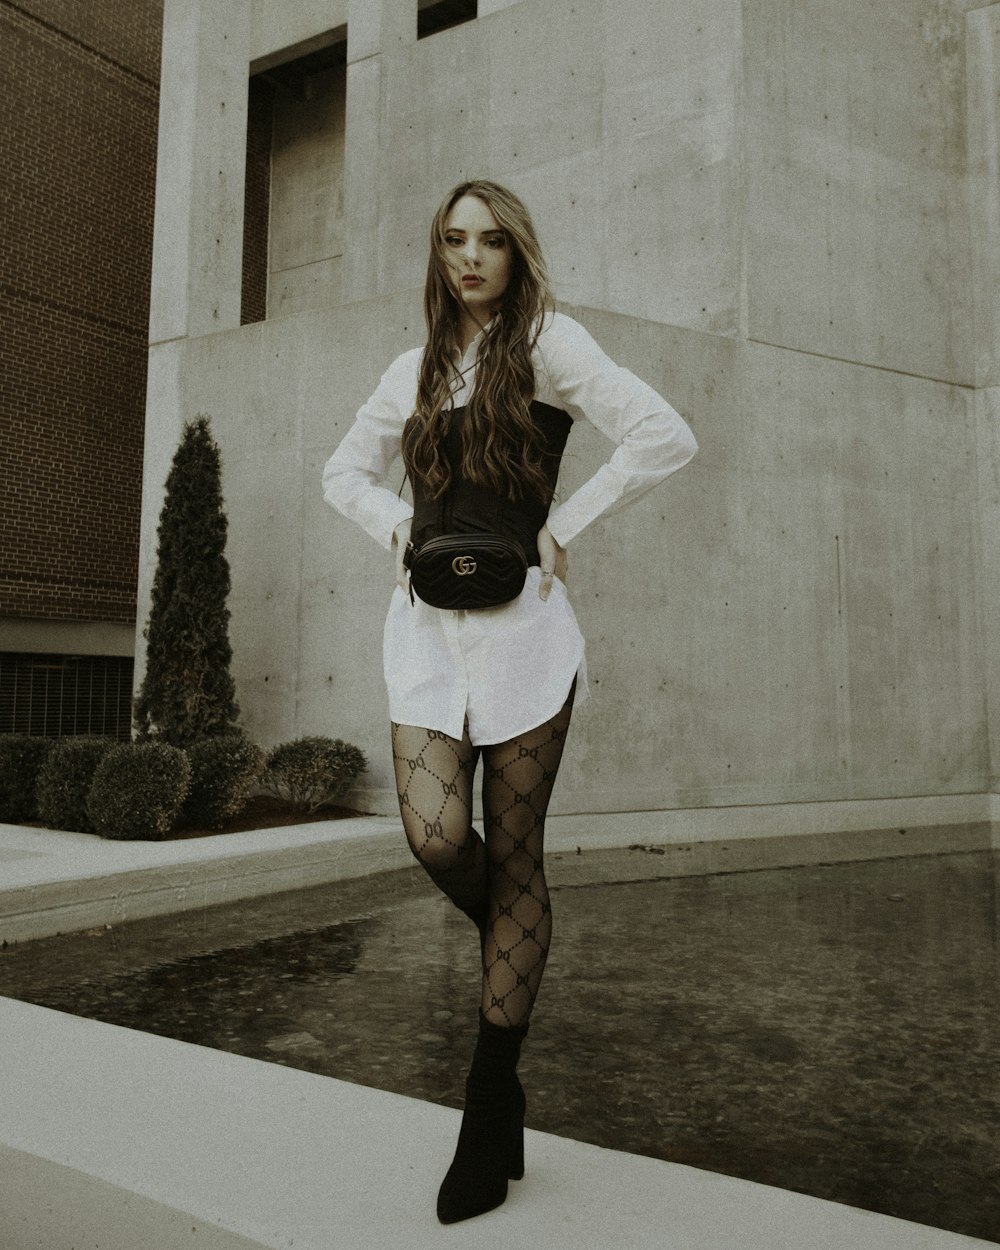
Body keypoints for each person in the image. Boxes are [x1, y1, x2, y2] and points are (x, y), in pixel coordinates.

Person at [322, 179, 697, 1223]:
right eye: (454, 240)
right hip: (427, 638)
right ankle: (515, 968)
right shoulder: (411, 368)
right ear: (438, 254)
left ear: (516, 252)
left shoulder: (551, 344)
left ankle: (489, 1097)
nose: (472, 257)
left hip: (527, 634)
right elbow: (340, 473)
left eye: (490, 240)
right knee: (441, 837)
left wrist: (563, 522)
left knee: (516, 852)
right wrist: (399, 530)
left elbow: (664, 433)